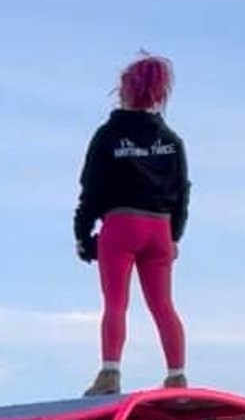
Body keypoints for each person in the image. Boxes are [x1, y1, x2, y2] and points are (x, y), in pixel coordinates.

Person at [73, 52, 191, 396]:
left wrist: (83, 233)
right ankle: (177, 375)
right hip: (160, 228)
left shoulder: (109, 135)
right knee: (163, 305)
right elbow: (182, 190)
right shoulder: (171, 140)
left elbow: (91, 187)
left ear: (124, 90)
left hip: (121, 224)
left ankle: (110, 373)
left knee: (115, 302)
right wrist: (175, 234)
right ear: (159, 93)